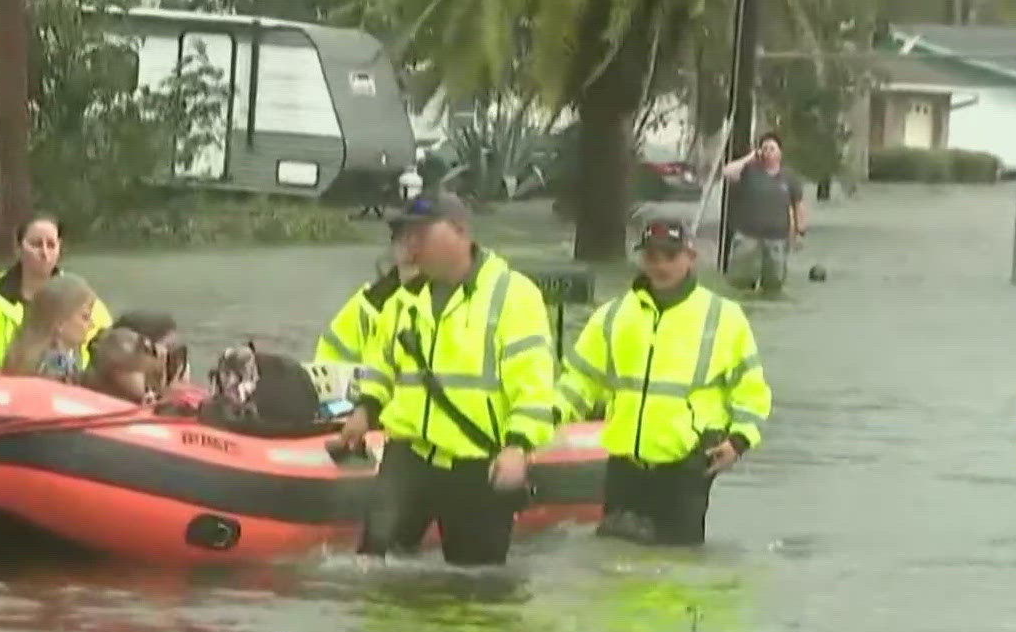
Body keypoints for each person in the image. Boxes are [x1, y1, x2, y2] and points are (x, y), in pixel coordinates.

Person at [335, 192, 556, 566]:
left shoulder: (513, 297)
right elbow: (380, 364)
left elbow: (533, 385)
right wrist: (365, 408)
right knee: (372, 568)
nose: (412, 245)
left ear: (460, 231)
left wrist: (518, 446)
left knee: (477, 587)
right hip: (409, 456)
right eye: (407, 236)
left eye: (421, 234)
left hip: (476, 464)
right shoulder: (404, 299)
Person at [556, 218, 770, 546]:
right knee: (615, 568)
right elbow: (580, 380)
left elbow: (751, 389)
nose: (660, 265)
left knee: (678, 567)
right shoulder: (613, 315)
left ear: (690, 256)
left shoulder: (723, 317)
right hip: (625, 464)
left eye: (670, 256)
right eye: (652, 256)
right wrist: (545, 420)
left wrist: (739, 442)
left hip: (687, 464)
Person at [0, 214, 112, 374]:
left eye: (51, 245)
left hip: (73, 395)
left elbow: (111, 358)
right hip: (2, 394)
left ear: (59, 249)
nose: (44, 253)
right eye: (36, 244)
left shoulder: (83, 299)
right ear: (19, 248)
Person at [314, 223, 419, 366]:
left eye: (423, 240)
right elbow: (327, 365)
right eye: (404, 239)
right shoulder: (368, 305)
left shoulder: (455, 307)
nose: (411, 250)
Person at [720, 131, 805, 293]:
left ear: (780, 152)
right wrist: (750, 157)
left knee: (774, 286)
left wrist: (800, 232)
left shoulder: (789, 176)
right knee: (739, 284)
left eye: (772, 148)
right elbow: (726, 172)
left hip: (777, 239)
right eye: (764, 148)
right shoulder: (749, 171)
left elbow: (798, 205)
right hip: (747, 236)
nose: (768, 152)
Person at [0, 273, 100, 381]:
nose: (91, 324)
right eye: (85, 317)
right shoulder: (55, 368)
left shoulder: (23, 356)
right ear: (60, 322)